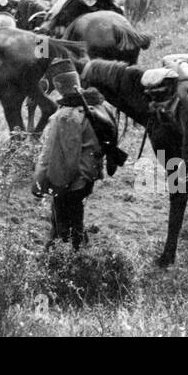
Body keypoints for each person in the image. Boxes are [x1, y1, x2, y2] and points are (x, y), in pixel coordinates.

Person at [32, 60, 124, 249]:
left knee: (65, 219)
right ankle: (73, 244)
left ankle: (69, 253)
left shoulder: (65, 116)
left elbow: (64, 157)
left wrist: (49, 184)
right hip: (90, 173)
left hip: (73, 179)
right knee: (75, 213)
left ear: (57, 86)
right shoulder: (101, 104)